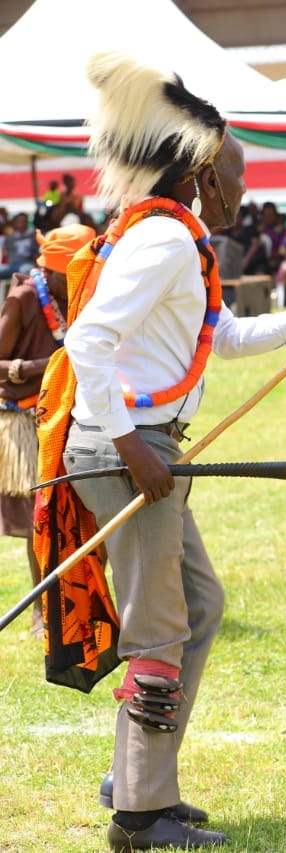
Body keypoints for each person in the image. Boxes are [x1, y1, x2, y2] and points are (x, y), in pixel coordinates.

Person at [36, 51, 286, 851]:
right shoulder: (162, 242)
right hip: (125, 448)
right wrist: (133, 444)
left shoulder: (177, 239)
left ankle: (137, 773)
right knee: (160, 627)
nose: (246, 187)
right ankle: (139, 813)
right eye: (236, 171)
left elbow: (220, 337)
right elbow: (90, 339)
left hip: (140, 445)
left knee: (199, 606)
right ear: (200, 172)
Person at [0, 225, 95, 637]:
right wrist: (44, 366)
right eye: (69, 275)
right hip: (26, 420)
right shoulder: (23, 297)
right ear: (51, 270)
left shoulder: (78, 297)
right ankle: (42, 609)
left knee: (77, 513)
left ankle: (84, 602)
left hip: (71, 415)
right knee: (42, 516)